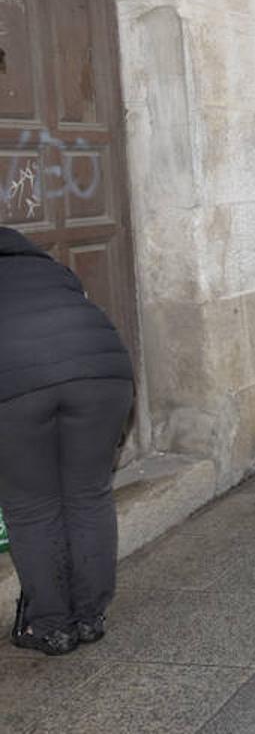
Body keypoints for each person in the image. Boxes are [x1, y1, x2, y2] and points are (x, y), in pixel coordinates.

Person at [0, 227, 134, 656]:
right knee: (89, 495)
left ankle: (51, 627)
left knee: (32, 508)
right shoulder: (52, 270)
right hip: (103, 378)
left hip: (17, 386)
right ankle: (90, 619)